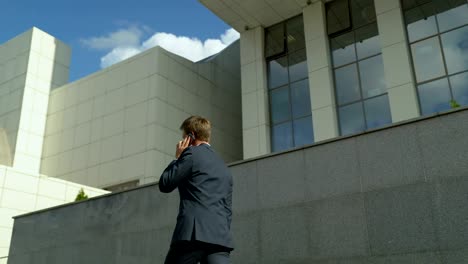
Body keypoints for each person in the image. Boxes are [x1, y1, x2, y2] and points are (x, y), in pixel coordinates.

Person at [159, 116, 234, 264]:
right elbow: (227, 209)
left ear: (190, 135)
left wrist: (178, 158)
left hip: (192, 237)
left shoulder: (191, 154)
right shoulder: (224, 168)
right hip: (220, 238)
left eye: (184, 136)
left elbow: (165, 184)